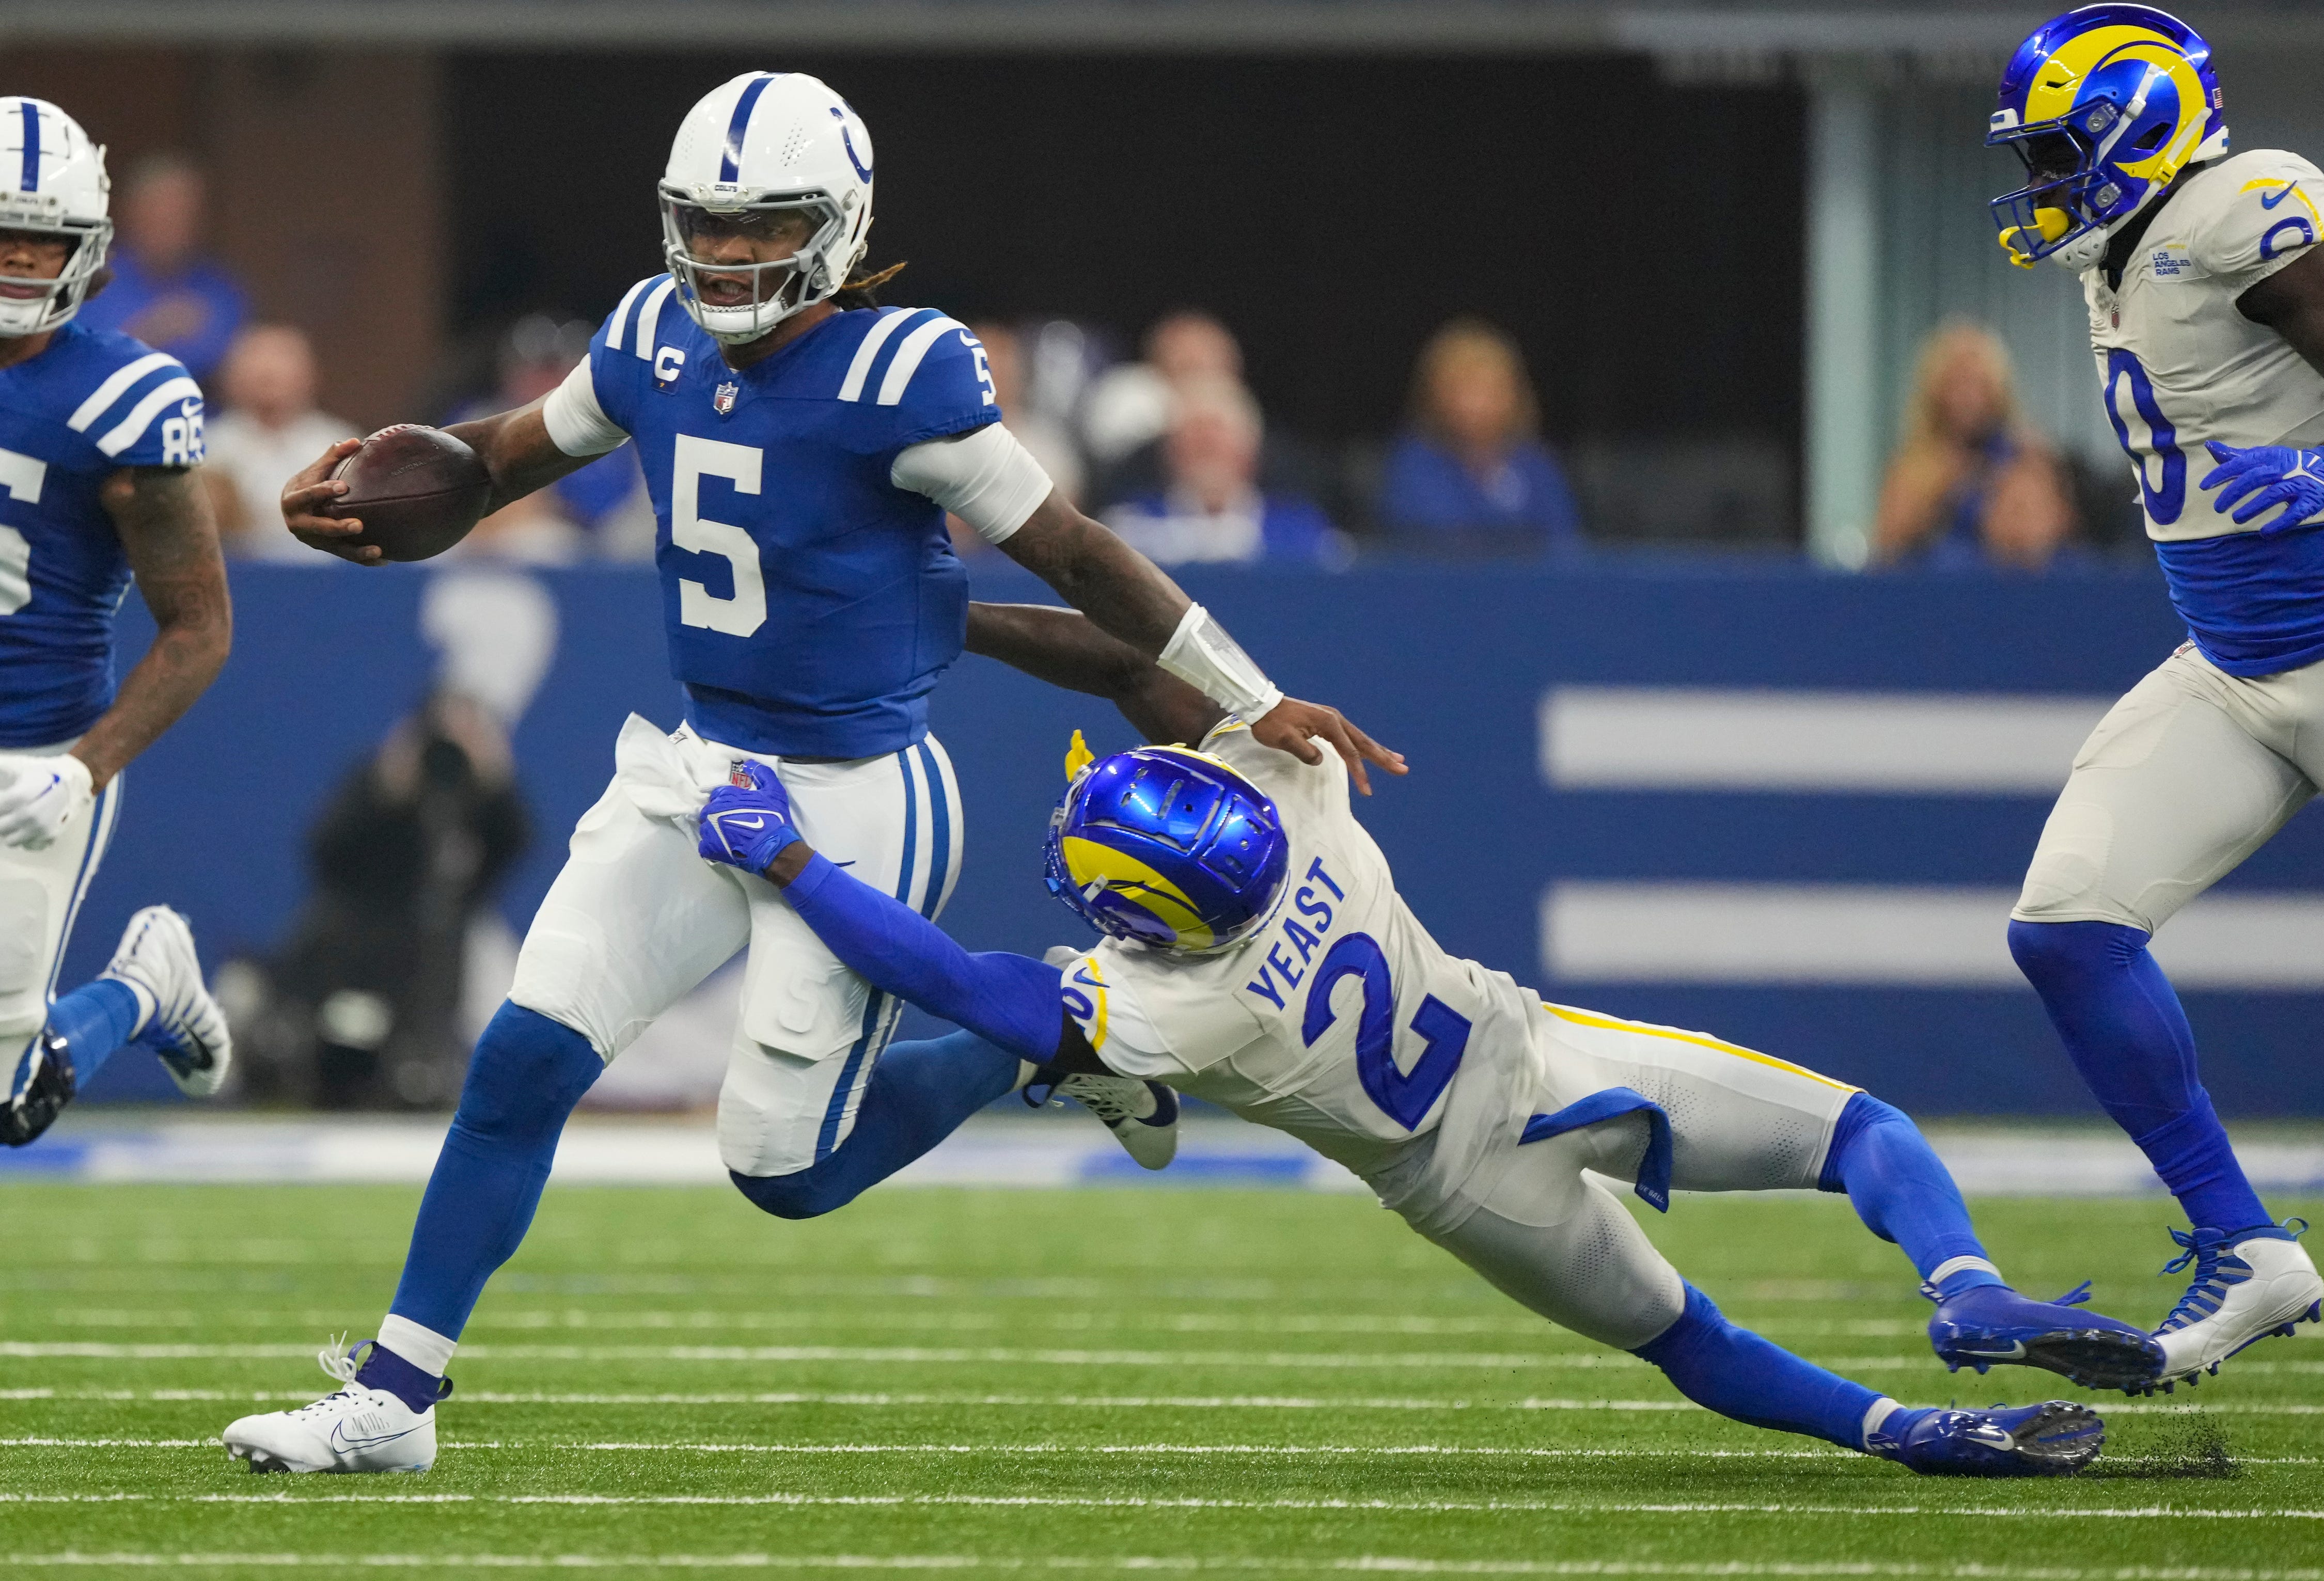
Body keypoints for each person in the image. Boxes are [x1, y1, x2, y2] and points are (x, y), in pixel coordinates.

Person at [223, 70, 1401, 1473]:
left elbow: (1075, 552)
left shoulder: (909, 375)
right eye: (706, 227)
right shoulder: (652, 336)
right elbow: (497, 458)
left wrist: (1251, 694)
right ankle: (396, 1398)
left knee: (782, 1170)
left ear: (837, 225)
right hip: (694, 763)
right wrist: (373, 484)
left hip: (860, 792)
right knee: (522, 1059)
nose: (726, 257)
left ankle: (1059, 1029)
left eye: (761, 225)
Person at [663, 653, 2157, 1480]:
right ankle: (1961, 1287)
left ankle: (1911, 1433)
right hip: (1536, 1046)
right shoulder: (1303, 791)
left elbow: (947, 974)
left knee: (1682, 1336)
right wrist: (972, 614)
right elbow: (1134, 658)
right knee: (1862, 1131)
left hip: (1463, 1184)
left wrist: (783, 853)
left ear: (1147, 912)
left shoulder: (1187, 1008)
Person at [1986, 4, 2324, 1389]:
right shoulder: (2127, 252)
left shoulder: (2245, 207)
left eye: (2063, 147)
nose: (2044, 179)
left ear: (2138, 123)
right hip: (2238, 668)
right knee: (2066, 926)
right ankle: (2248, 1247)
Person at [0, 102, 237, 1145]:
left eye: (39, 240)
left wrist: (84, 768)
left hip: (37, 754)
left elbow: (198, 627)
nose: (17, 262)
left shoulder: (120, 395)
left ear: (86, 249)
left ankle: (145, 987)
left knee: (7, 1101)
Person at [1871, 321, 2078, 570]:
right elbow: (1886, 545)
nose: (1967, 395)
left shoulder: (2024, 456)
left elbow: (2044, 535)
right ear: (1934, 390)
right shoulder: (1913, 465)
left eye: (1977, 382)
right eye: (1956, 382)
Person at [1378, 318, 1582, 552]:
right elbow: (1445, 543)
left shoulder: (1535, 465)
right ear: (1435, 395)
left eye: (1488, 388)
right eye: (1463, 389)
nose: (1475, 404)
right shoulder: (1414, 466)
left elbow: (1565, 543)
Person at [1105, 376, 1345, 566]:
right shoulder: (1129, 530)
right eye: (1194, 435)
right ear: (1171, 451)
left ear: (1251, 449)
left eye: (1217, 434)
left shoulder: (1304, 532)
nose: (1206, 444)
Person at [74, 153, 245, 384]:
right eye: (160, 211)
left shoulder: (220, 289)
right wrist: (154, 330)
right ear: (131, 213)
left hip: (201, 414)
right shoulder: (91, 280)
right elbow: (79, 365)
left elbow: (232, 367)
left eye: (183, 213)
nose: (172, 223)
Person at [202, 325, 358, 559]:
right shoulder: (205, 448)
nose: (268, 373)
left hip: (326, 576)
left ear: (311, 375)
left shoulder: (343, 443)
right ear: (229, 377)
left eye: (281, 363)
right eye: (256, 365)